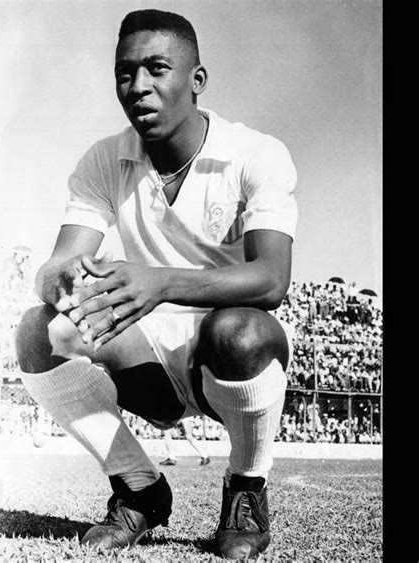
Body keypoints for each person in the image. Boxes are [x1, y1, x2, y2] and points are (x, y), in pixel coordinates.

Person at [15, 9, 297, 559]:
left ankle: (246, 490)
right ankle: (139, 489)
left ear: (197, 80)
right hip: (146, 355)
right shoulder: (105, 158)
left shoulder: (255, 154)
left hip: (229, 352)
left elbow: (271, 280)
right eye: (125, 72)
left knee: (240, 331)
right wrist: (62, 281)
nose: (138, 86)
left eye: (157, 69)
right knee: (37, 334)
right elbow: (57, 265)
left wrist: (160, 283)